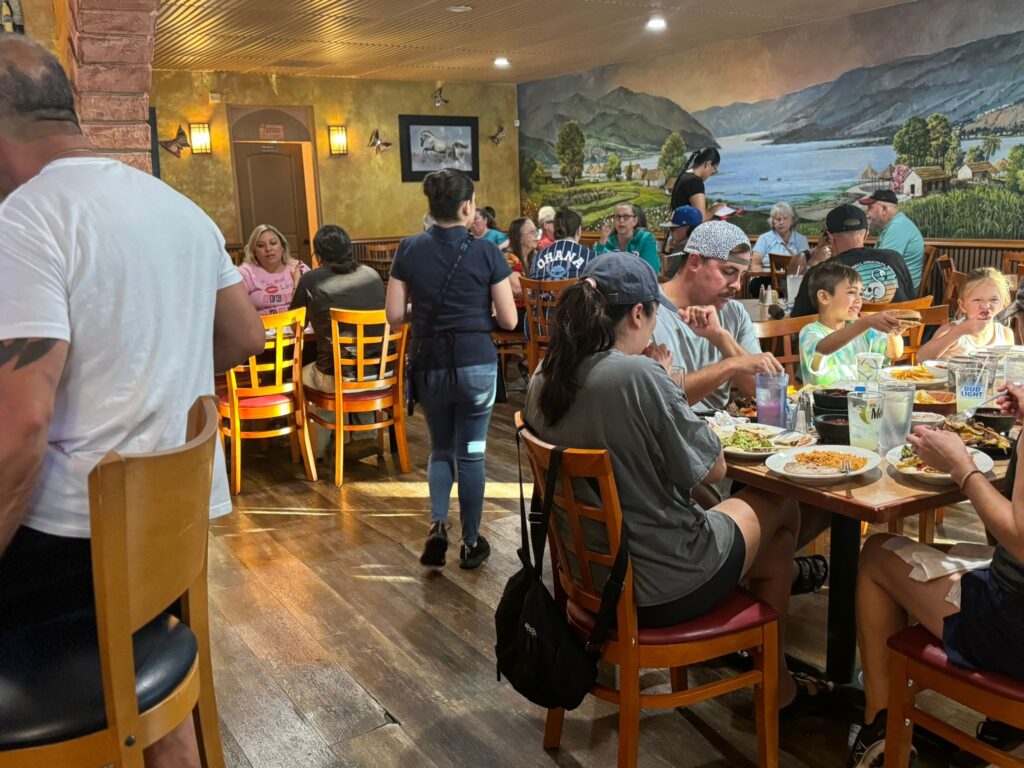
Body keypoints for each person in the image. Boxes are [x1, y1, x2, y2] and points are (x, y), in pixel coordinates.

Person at [0, 35, 265, 768]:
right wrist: (154, 368)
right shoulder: (176, 208)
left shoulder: (24, 220)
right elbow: (247, 335)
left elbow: (20, 428)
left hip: (70, 552)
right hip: (161, 543)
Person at [524, 254, 833, 719]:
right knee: (778, 503)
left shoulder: (542, 377)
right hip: (662, 582)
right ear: (637, 314)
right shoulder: (636, 375)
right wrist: (666, 381)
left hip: (591, 580)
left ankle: (775, 675)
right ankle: (771, 678)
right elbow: (712, 468)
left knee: (776, 545)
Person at [846, 402, 1024, 767]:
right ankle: (1006, 725)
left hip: (1012, 626)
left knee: (878, 552)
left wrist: (962, 466)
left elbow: (1019, 540)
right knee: (949, 553)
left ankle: (881, 729)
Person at [386, 169, 517, 570]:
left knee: (441, 449)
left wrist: (422, 310)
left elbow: (393, 315)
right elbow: (509, 320)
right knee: (473, 454)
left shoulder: (408, 249)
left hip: (430, 367)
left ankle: (439, 524)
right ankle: (472, 541)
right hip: (476, 363)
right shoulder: (487, 252)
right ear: (466, 207)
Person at [653, 220, 781, 412]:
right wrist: (730, 365)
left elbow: (763, 391)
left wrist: (721, 338)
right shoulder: (647, 311)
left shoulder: (733, 311)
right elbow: (662, 398)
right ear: (695, 261)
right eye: (728, 272)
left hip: (722, 431)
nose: (737, 286)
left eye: (742, 276)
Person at [289, 224, 385, 451]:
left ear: (318, 254)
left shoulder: (311, 280)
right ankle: (364, 438)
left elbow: (296, 327)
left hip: (338, 377)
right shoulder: (371, 274)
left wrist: (296, 284)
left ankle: (319, 449)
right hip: (381, 372)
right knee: (350, 367)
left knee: (301, 376)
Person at [789, 204, 915, 318]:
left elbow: (798, 320)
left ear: (830, 237)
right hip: (901, 340)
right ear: (866, 234)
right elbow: (912, 302)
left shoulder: (822, 272)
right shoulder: (894, 258)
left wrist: (814, 262)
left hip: (850, 342)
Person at [798, 262, 904, 387]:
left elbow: (893, 354)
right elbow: (822, 350)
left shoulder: (863, 331)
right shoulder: (810, 332)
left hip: (862, 401)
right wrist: (865, 322)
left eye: (860, 293)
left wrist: (892, 332)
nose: (859, 299)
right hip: (827, 404)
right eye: (851, 292)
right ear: (824, 297)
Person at [917, 267, 1013, 361]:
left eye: (994, 300)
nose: (985, 306)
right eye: (977, 300)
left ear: (1004, 305)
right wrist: (959, 331)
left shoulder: (1005, 334)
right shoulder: (950, 330)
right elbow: (920, 358)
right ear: (962, 306)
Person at [860, 189, 926, 292]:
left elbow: (882, 266)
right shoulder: (893, 225)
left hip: (902, 294)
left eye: (870, 208)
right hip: (897, 287)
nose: (867, 214)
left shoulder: (897, 227)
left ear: (884, 209)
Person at [238, 223, 310, 315]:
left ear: (283, 247)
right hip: (263, 328)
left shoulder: (299, 268)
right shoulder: (245, 273)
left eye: (273, 243)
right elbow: (235, 310)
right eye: (260, 245)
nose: (268, 249)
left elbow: (314, 304)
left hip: (297, 328)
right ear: (254, 251)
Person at [529, 207, 595, 281]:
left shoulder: (537, 258)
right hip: (575, 292)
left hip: (545, 292)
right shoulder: (591, 258)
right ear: (578, 231)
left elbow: (533, 291)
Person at [595, 202, 659, 274]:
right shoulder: (606, 241)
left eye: (626, 217)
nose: (621, 220)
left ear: (635, 221)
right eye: (618, 217)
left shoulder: (646, 239)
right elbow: (593, 268)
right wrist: (601, 244)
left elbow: (651, 271)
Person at [669, 147, 724, 220]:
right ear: (708, 164)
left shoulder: (685, 176)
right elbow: (702, 219)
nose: (712, 173)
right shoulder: (695, 182)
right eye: (714, 169)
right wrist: (715, 209)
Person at [751, 201, 810, 268]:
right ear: (772, 221)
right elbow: (755, 264)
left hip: (794, 277)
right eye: (778, 219)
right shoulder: (764, 238)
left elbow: (805, 265)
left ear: (792, 220)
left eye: (785, 218)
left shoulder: (801, 239)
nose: (781, 222)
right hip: (767, 277)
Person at [507, 216, 539, 331]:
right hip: (513, 312)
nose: (537, 235)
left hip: (533, 308)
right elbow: (519, 289)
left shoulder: (535, 256)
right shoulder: (509, 258)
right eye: (532, 232)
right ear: (519, 238)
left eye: (537, 230)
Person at [659, 204, 703, 279]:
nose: (670, 232)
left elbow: (669, 279)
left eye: (673, 229)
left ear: (686, 228)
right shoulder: (703, 244)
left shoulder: (683, 247)